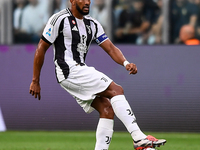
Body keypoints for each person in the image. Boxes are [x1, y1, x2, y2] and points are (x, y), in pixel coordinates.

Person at [29, 0, 166, 149]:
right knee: (116, 90)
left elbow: (111, 48)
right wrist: (35, 80)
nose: (87, 2)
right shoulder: (59, 19)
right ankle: (138, 137)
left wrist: (126, 63)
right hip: (69, 70)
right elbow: (41, 48)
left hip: (75, 72)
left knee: (106, 108)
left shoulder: (92, 24)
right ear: (72, 1)